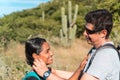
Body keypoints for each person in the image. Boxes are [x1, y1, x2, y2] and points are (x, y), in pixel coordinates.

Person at [32, 9, 120, 80]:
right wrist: (54, 72)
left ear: (103, 33)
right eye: (85, 29)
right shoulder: (97, 49)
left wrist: (46, 74)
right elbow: (83, 76)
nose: (84, 34)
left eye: (89, 31)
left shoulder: (105, 55)